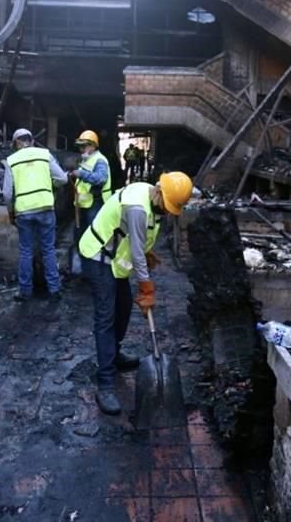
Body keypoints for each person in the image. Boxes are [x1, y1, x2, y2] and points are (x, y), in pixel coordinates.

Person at [78, 171, 194, 415]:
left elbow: (139, 240)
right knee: (106, 319)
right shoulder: (138, 208)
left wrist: (146, 250)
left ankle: (115, 353)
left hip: (115, 258)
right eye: (170, 205)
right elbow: (137, 251)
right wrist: (146, 286)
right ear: (160, 192)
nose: (169, 211)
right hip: (98, 256)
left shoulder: (152, 199)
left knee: (124, 307)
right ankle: (106, 384)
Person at [2, 128, 67, 302]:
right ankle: (54, 290)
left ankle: (25, 291)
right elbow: (63, 179)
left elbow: (7, 194)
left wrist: (10, 211)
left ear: (16, 143)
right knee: (48, 250)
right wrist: (50, 185)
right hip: (46, 207)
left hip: (23, 211)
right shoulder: (45, 154)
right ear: (31, 140)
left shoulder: (11, 160)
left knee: (25, 251)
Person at [69, 130, 112, 230]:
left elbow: (101, 179)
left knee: (93, 231)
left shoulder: (100, 160)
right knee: (82, 231)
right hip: (86, 203)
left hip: (96, 202)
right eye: (80, 146)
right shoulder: (87, 159)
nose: (81, 149)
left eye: (84, 146)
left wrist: (81, 174)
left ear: (93, 146)